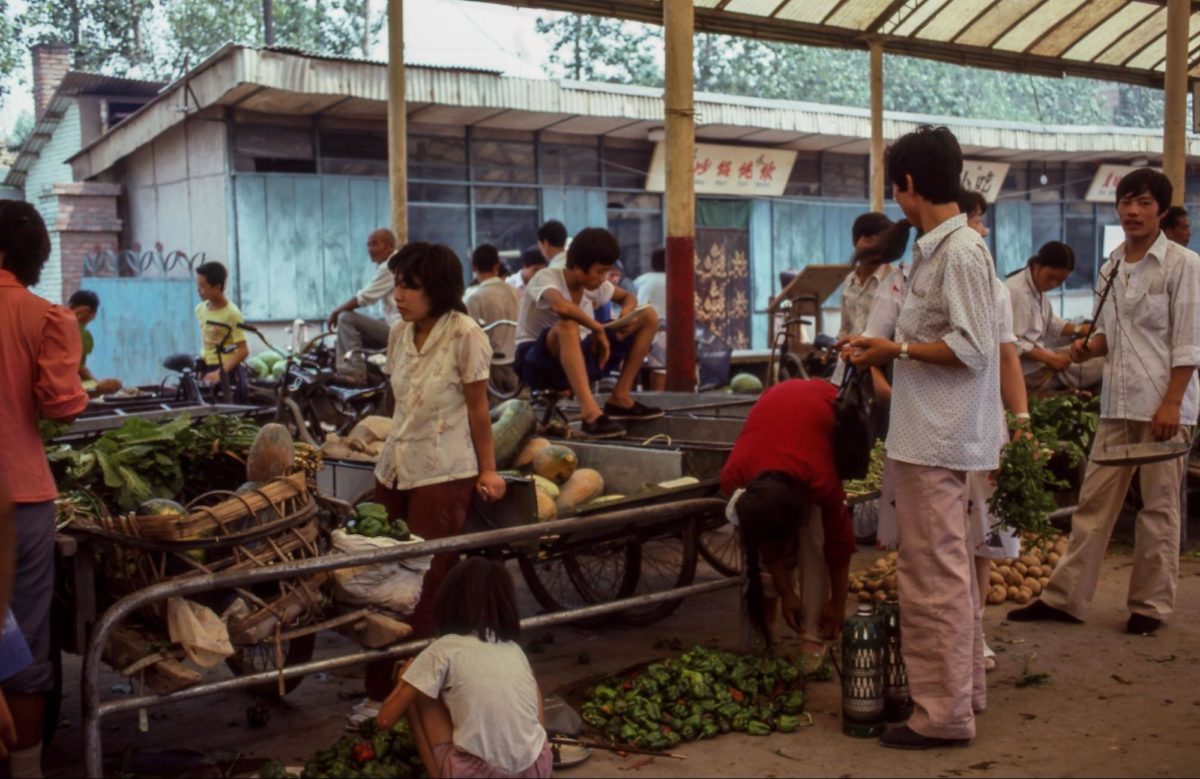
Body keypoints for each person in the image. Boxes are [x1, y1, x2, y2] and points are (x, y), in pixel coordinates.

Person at [848, 126, 1003, 750]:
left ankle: (941, 717)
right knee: (945, 570)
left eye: (895, 183)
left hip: (940, 439)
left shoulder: (961, 251)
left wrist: (896, 348)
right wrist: (880, 347)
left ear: (909, 185)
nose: (894, 195)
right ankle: (960, 696)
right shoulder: (934, 249)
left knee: (933, 576)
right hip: (928, 435)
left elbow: (971, 347)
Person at [1008, 168, 1200, 637]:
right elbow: (1109, 336)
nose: (1132, 212)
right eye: (1125, 203)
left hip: (1163, 408)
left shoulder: (1183, 265)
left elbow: (1189, 344)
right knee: (1093, 504)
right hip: (1116, 403)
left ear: (1161, 210)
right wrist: (1085, 347)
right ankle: (1065, 598)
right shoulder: (1112, 265)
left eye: (1144, 204)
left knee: (1158, 508)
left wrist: (1172, 404)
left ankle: (1149, 607)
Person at [352, 242, 505, 730]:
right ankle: (379, 692)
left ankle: (413, 698)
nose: (397, 295)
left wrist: (489, 470)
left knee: (424, 588)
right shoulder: (398, 334)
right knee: (381, 584)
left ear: (437, 290)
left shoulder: (466, 335)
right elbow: (400, 404)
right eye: (396, 284)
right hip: (393, 467)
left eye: (408, 286)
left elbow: (480, 410)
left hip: (444, 473)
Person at [0, 200, 90, 778]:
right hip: (20, 497)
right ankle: (27, 769)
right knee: (22, 645)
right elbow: (62, 410)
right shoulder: (42, 316)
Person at [720, 379, 855, 671]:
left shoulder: (821, 478)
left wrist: (838, 603)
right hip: (776, 402)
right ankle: (767, 624)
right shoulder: (734, 478)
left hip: (825, 400)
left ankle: (814, 632)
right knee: (768, 527)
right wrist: (786, 592)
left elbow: (839, 545)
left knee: (816, 538)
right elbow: (766, 541)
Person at [376, 557, 551, 779]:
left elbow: (384, 720)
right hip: (537, 768)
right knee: (528, 680)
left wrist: (404, 679)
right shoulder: (514, 649)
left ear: (449, 599)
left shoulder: (443, 649)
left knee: (420, 689)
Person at [514, 228, 663, 439]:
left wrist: (626, 317)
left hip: (578, 353)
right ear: (579, 266)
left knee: (648, 315)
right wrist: (597, 328)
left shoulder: (595, 285)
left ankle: (620, 397)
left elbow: (628, 297)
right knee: (568, 326)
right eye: (600, 271)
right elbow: (562, 308)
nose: (604, 278)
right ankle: (590, 414)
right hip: (536, 363)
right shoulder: (546, 277)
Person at [1006, 241, 1101, 391]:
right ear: (1037, 265)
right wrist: (1049, 358)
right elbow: (1012, 342)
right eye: (1051, 277)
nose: (1053, 283)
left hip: (1041, 357)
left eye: (1060, 281)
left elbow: (1051, 322)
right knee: (1099, 364)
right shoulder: (1018, 292)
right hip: (1025, 371)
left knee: (1090, 354)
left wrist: (1080, 329)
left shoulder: (1036, 287)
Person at [327, 228, 399, 385]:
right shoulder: (395, 264)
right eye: (368, 245)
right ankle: (369, 374)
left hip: (399, 332)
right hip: (399, 328)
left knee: (345, 318)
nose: (370, 249)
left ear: (390, 246)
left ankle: (354, 373)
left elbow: (364, 298)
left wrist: (336, 311)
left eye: (375, 244)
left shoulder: (391, 265)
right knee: (348, 337)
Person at [465, 244, 521, 395]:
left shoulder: (474, 298)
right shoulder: (515, 292)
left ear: (473, 267)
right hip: (516, 363)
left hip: (490, 367)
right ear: (497, 266)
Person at [194, 261, 250, 401]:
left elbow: (243, 350)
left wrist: (220, 372)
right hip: (207, 369)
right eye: (197, 285)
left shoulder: (232, 313)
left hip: (227, 371)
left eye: (202, 286)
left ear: (217, 287)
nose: (198, 290)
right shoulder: (200, 310)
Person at [67, 290, 122, 395]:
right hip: (69, 391)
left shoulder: (57, 323)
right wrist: (98, 384)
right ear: (87, 311)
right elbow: (77, 368)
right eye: (94, 314)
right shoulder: (79, 331)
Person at [635, 249, 668, 392]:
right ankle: (659, 399)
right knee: (660, 369)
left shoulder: (643, 280)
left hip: (644, 329)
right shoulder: (675, 279)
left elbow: (639, 306)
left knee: (649, 367)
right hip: (664, 332)